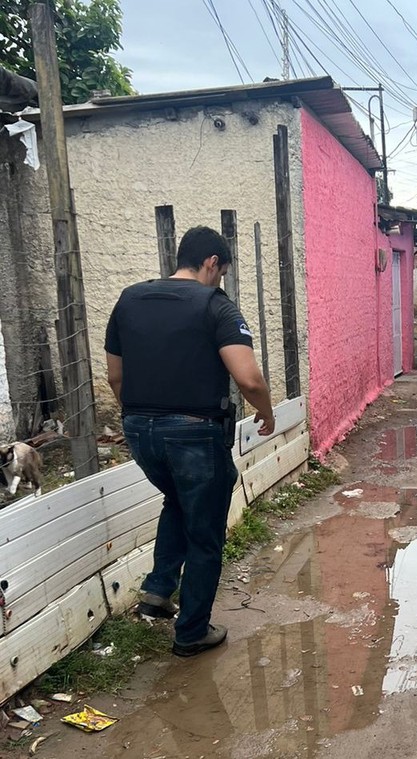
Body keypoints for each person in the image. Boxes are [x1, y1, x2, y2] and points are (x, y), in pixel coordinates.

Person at [105, 226, 275, 657]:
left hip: (140, 430)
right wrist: (266, 411)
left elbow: (115, 376)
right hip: (195, 433)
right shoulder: (214, 305)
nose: (219, 281)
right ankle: (191, 632)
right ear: (212, 263)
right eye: (221, 273)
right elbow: (249, 378)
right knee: (205, 533)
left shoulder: (129, 299)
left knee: (177, 501)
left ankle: (159, 589)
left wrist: (143, 417)